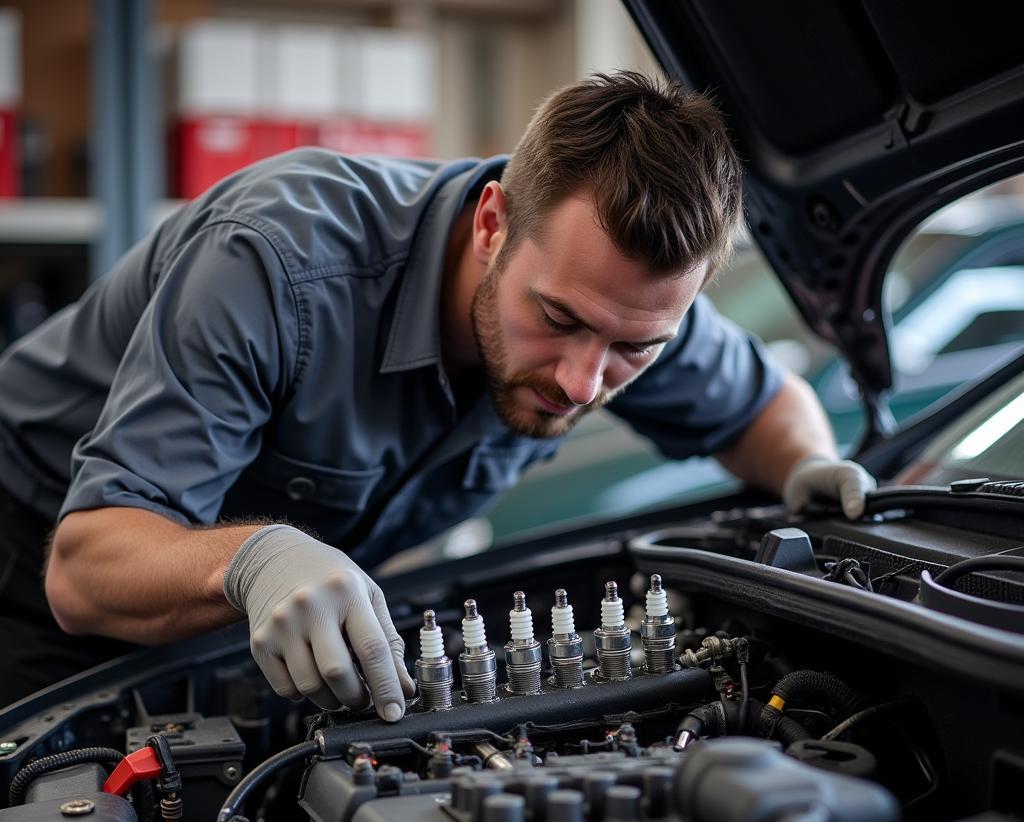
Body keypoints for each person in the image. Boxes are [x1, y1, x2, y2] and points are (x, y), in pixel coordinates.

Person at [0, 72, 873, 714]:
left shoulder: (618, 299)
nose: (581, 381)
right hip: (34, 562)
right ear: (493, 223)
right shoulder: (275, 264)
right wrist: (256, 559)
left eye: (632, 349)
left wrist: (807, 468)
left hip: (229, 613)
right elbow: (84, 571)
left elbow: (767, 409)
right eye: (558, 318)